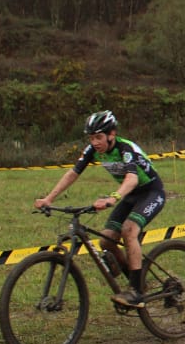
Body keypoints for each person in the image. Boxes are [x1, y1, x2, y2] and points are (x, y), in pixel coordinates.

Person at [34, 110, 166, 308]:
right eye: (91, 138)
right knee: (106, 241)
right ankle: (137, 280)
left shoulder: (125, 148)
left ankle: (137, 292)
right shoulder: (92, 150)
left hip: (150, 193)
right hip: (130, 196)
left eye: (98, 137)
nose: (94, 142)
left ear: (111, 134)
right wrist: (49, 198)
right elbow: (73, 173)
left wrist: (112, 198)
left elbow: (133, 179)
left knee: (129, 230)